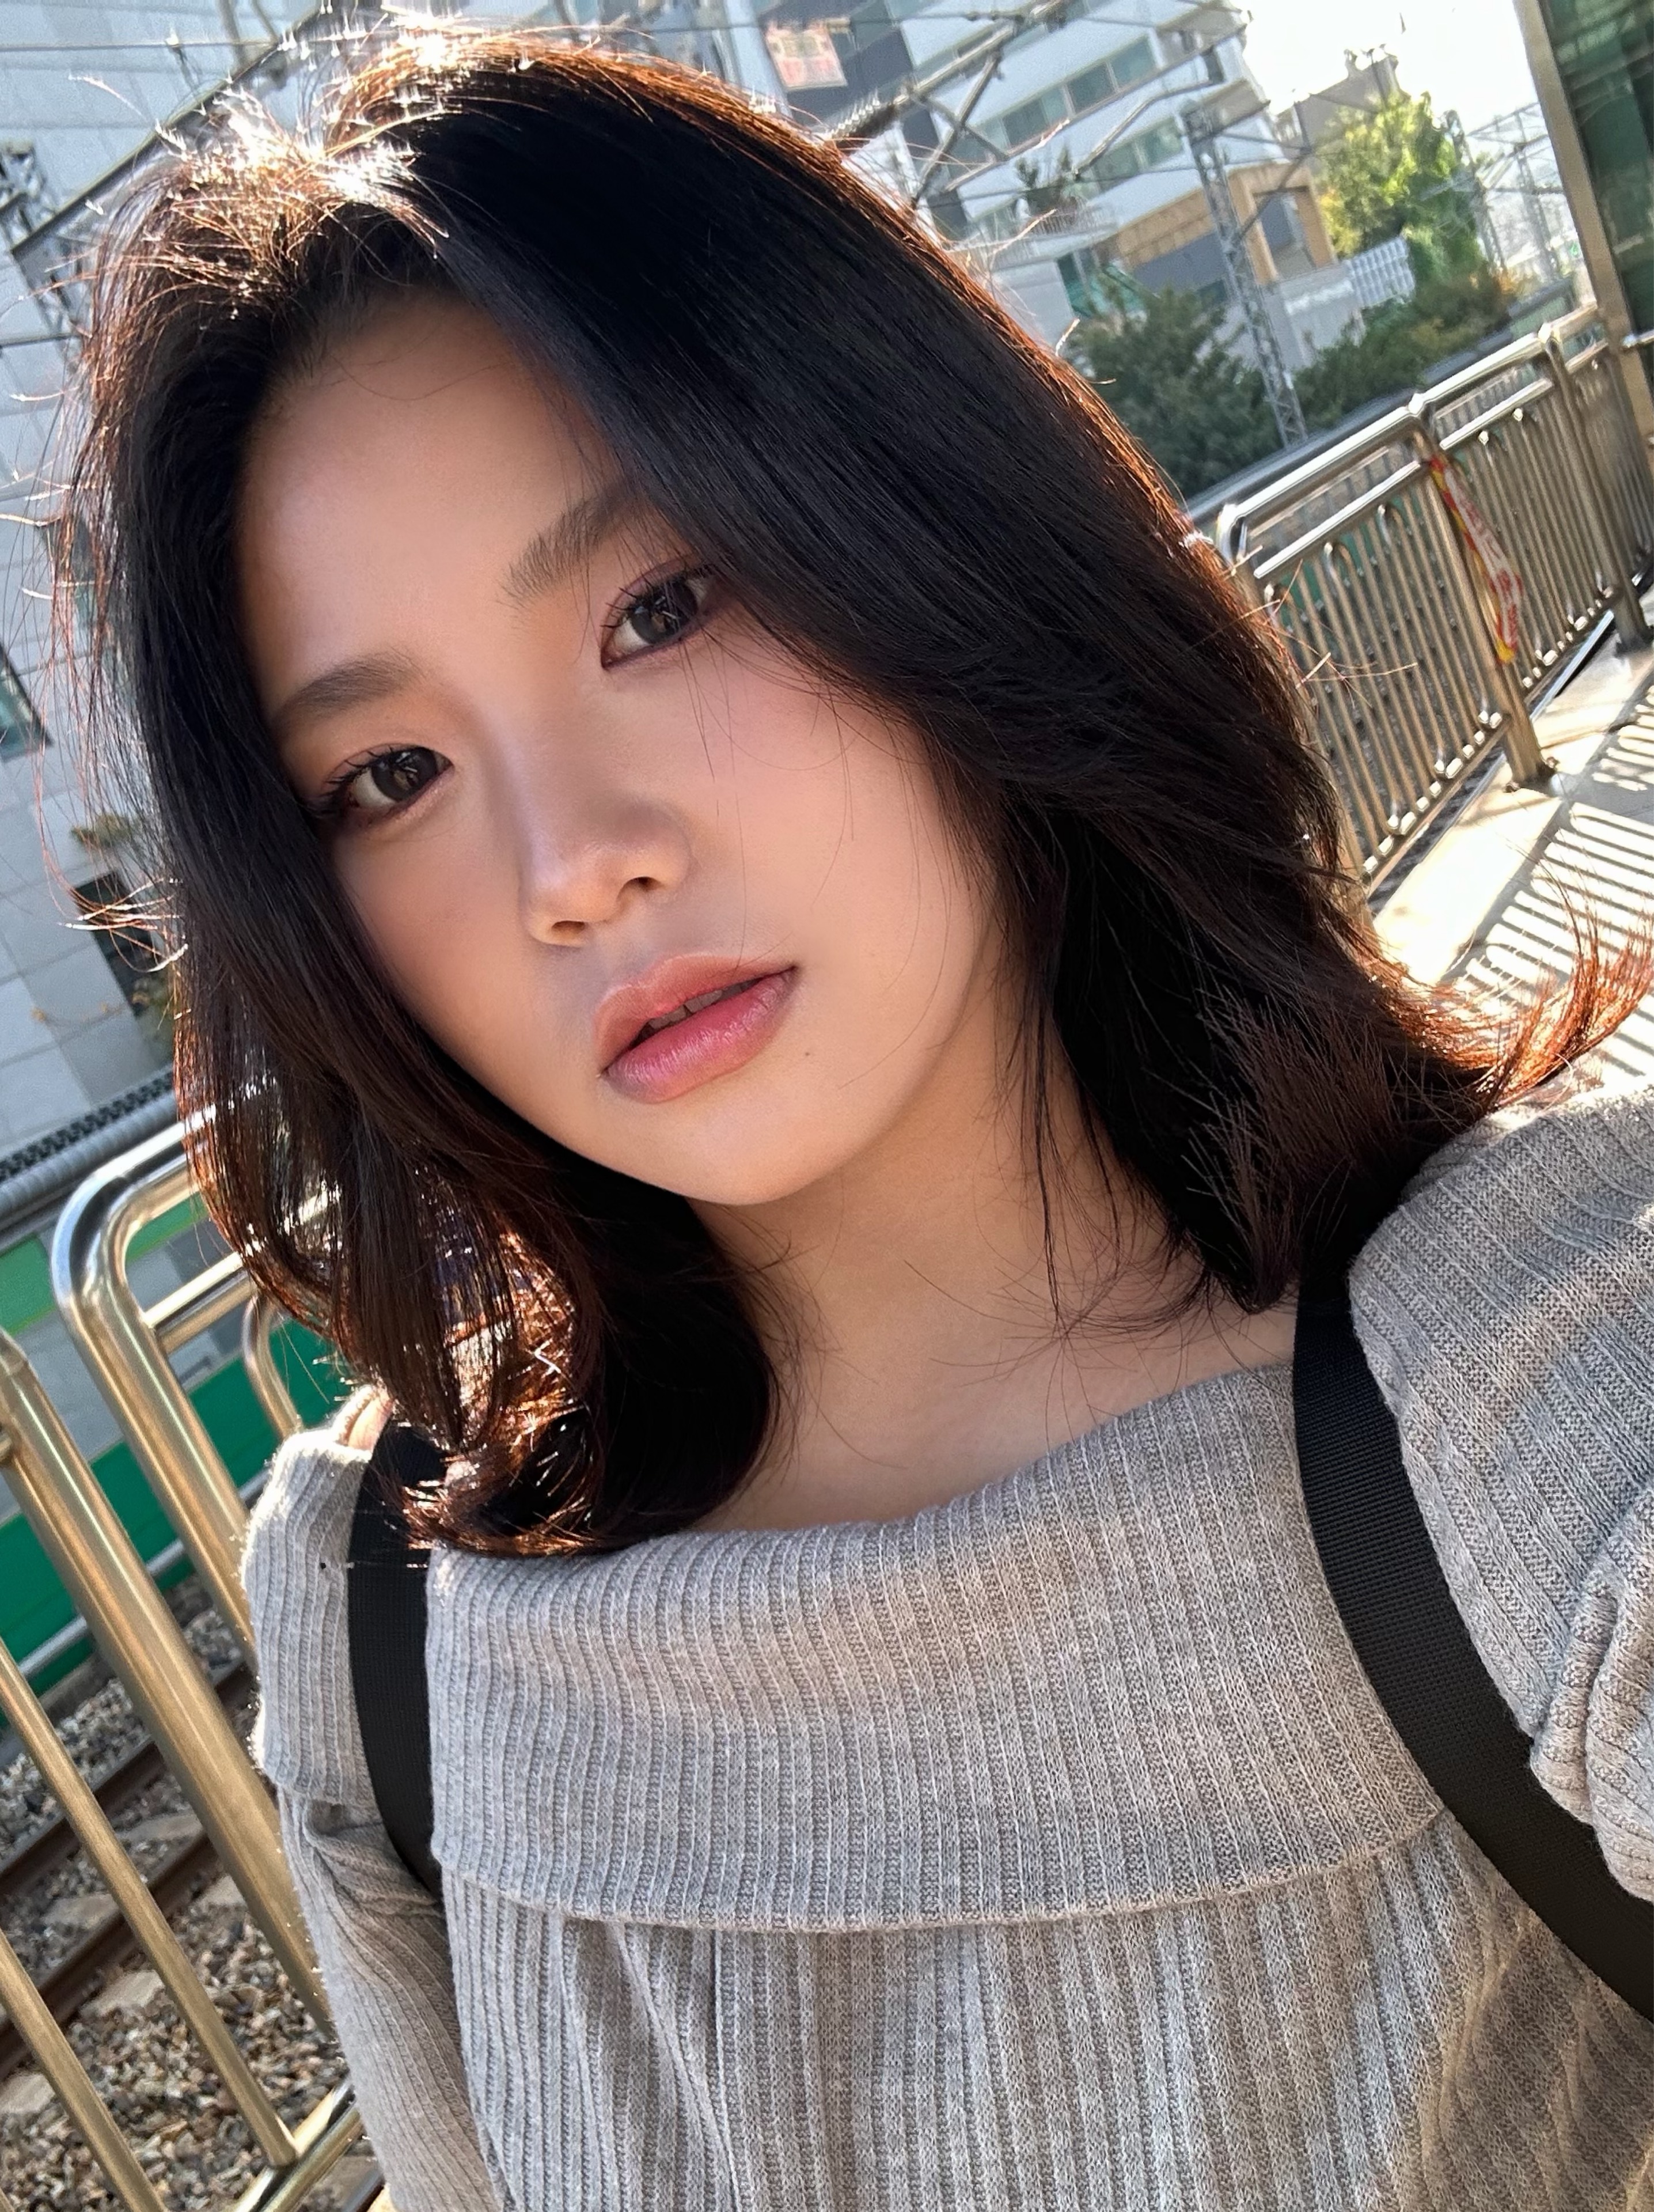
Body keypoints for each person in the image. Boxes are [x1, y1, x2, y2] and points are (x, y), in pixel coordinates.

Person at [63, 26, 1653, 2210]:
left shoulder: (1525, 1388)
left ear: (933, 535)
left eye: (660, 608)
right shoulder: (386, 1618)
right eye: (390, 777)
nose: (570, 866)